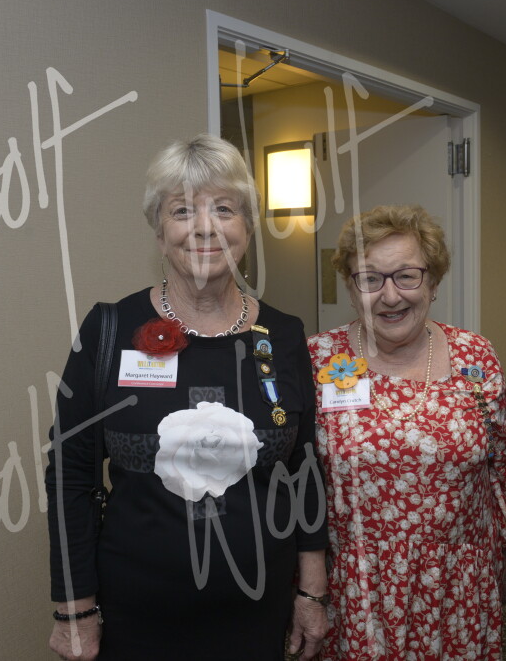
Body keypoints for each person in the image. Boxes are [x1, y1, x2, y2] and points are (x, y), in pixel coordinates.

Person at [46, 134, 327, 661]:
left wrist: (312, 593)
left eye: (224, 208)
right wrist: (73, 610)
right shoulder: (109, 329)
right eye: (182, 210)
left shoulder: (285, 334)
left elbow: (305, 471)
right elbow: (70, 473)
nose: (204, 227)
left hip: (258, 612)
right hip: (136, 619)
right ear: (159, 232)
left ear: (248, 228)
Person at [307, 204, 506, 660]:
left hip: (457, 583)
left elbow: (502, 463)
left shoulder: (475, 356)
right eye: (370, 278)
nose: (391, 296)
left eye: (407, 276)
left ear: (434, 282)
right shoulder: (317, 359)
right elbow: (298, 480)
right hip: (356, 587)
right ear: (351, 288)